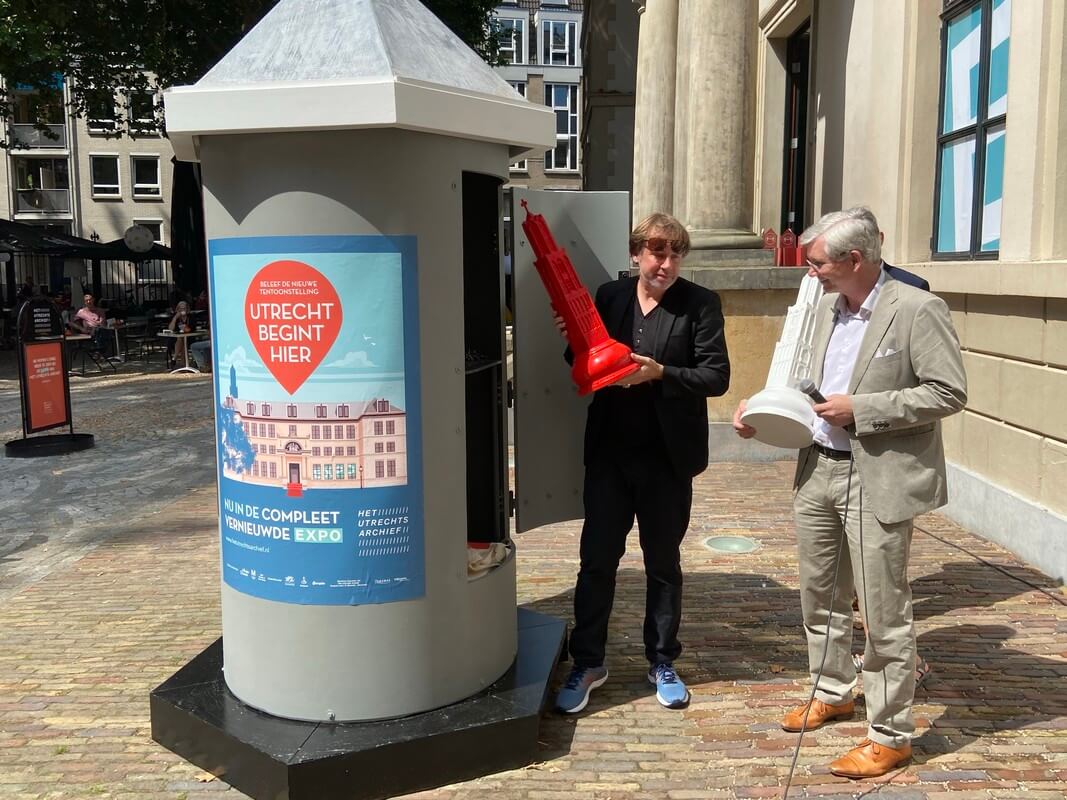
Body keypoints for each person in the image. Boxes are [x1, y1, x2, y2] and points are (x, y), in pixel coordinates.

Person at [732, 207, 966, 778]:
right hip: (818, 469)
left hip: (875, 475)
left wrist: (862, 409)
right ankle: (834, 690)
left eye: (817, 264)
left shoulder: (916, 309)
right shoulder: (822, 310)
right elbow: (801, 377)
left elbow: (948, 391)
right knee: (820, 595)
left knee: (884, 610)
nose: (809, 273)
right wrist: (762, 411)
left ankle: (891, 733)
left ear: (854, 260)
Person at [554, 212, 731, 714]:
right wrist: (574, 340)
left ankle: (662, 661)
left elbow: (715, 376)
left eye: (676, 253)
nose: (667, 262)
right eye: (657, 251)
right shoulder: (609, 296)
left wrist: (660, 373)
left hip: (667, 459)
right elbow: (579, 359)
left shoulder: (700, 304)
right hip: (611, 455)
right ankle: (588, 662)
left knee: (663, 565)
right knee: (596, 564)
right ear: (637, 254)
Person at [167, 300, 196, 368]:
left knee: (182, 341)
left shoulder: (191, 317)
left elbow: (192, 328)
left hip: (189, 338)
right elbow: (170, 329)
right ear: (178, 309)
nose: (182, 310)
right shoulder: (175, 317)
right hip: (175, 339)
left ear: (187, 309)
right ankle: (185, 366)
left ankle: (174, 358)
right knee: (181, 340)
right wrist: (175, 318)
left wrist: (186, 328)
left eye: (184, 308)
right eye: (181, 308)